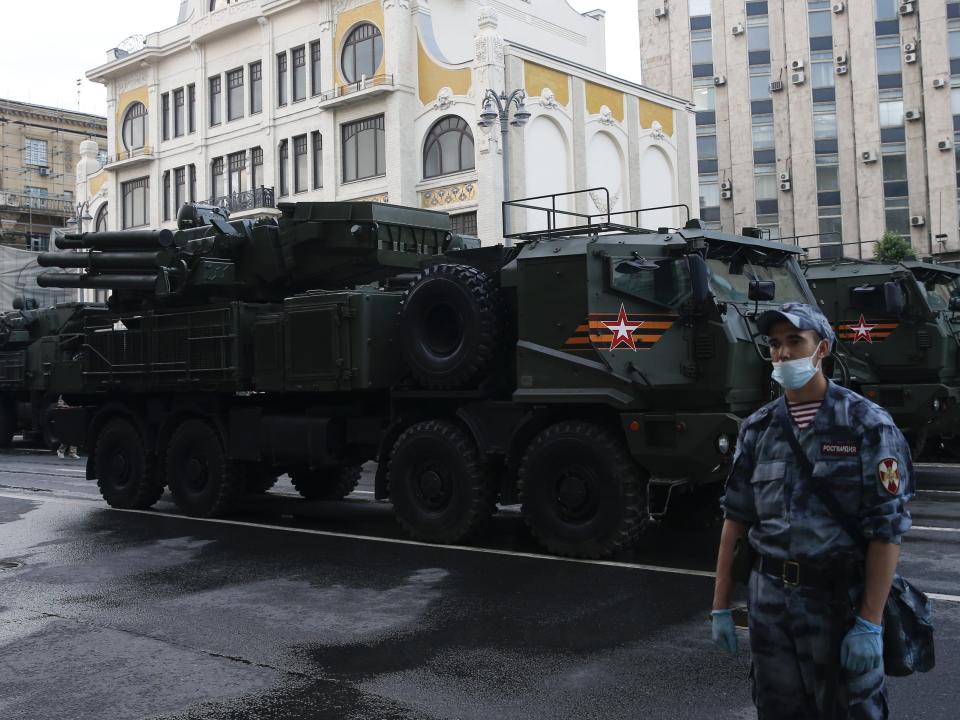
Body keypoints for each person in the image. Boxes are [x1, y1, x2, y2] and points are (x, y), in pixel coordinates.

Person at [710, 303, 912, 719]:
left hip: (839, 602)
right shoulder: (758, 428)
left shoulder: (866, 424)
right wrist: (720, 606)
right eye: (774, 344)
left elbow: (886, 530)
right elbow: (736, 520)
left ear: (822, 348)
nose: (782, 353)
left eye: (794, 341)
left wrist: (870, 623)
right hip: (770, 606)